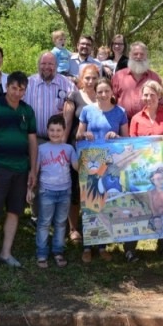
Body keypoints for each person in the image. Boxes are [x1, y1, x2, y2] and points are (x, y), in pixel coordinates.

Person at [0, 71, 38, 273]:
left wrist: (32, 170)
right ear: (7, 86)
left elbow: (32, 141)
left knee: (14, 212)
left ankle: (6, 252)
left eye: (21, 89)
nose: (17, 93)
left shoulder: (27, 111)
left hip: (21, 169)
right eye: (14, 88)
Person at [76, 77, 129, 262]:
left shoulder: (120, 112)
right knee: (90, 205)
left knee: (107, 204)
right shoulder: (87, 111)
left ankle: (102, 245)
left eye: (107, 91)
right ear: (95, 93)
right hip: (91, 162)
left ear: (112, 92)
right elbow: (77, 136)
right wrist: (85, 134)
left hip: (111, 164)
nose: (103, 95)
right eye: (100, 92)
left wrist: (117, 137)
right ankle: (87, 246)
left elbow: (127, 140)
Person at [126, 80, 163, 262]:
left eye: (152, 95)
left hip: (162, 170)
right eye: (145, 95)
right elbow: (131, 145)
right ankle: (130, 248)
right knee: (139, 207)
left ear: (159, 96)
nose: (148, 98)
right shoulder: (136, 118)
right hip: (141, 171)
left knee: (162, 206)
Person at [28, 115, 79, 269]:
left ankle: (58, 251)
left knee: (60, 223)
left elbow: (77, 167)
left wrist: (91, 160)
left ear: (64, 131)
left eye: (58, 130)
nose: (55, 133)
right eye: (52, 130)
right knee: (43, 223)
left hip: (65, 191)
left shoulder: (69, 149)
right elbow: (34, 171)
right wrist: (30, 189)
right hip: (46, 192)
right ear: (47, 131)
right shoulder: (41, 148)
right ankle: (42, 253)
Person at [62, 63, 100, 243]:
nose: (91, 81)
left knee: (95, 191)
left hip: (100, 153)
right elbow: (67, 124)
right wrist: (62, 147)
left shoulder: (104, 96)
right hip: (77, 149)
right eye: (87, 78)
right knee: (76, 190)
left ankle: (94, 227)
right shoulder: (74, 97)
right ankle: (74, 228)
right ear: (81, 79)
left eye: (94, 78)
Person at [24, 52, 76, 143]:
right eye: (43, 63)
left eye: (50, 64)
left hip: (59, 140)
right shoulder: (28, 84)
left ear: (56, 65)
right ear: (38, 65)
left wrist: (68, 110)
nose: (46, 67)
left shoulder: (67, 84)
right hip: (35, 140)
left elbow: (77, 106)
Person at [112, 41, 163, 120]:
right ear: (130, 55)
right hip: (123, 123)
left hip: (148, 122)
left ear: (146, 56)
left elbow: (161, 102)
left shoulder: (154, 77)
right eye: (135, 54)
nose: (139, 56)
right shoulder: (118, 76)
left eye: (142, 54)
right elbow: (111, 101)